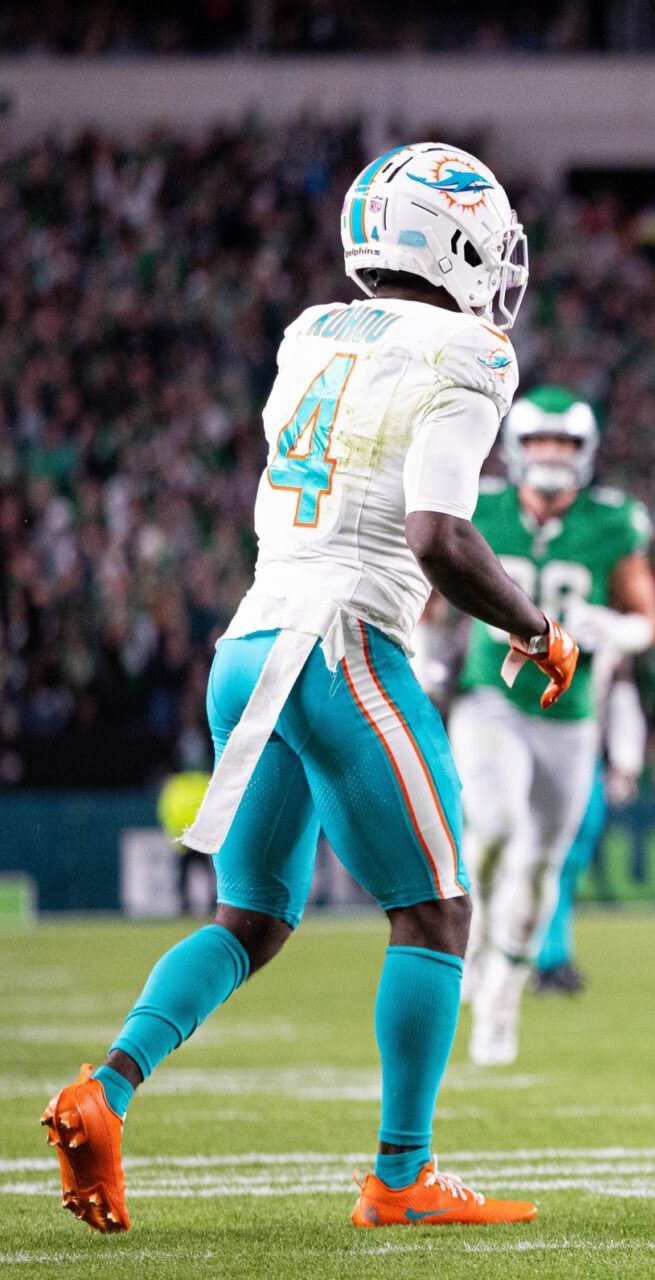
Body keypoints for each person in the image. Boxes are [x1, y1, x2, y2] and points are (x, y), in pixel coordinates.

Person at [43, 143, 576, 1232]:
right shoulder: (469, 351)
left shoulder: (312, 331)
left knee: (254, 916)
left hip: (250, 640)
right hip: (343, 644)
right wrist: (534, 625)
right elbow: (435, 532)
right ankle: (402, 1174)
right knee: (434, 912)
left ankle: (106, 1088)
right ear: (455, 242)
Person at [449, 388, 655, 1063]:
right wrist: (424, 646)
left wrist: (619, 629)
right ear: (516, 447)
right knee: (495, 824)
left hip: (571, 718)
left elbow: (647, 618)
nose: (550, 456)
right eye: (540, 441)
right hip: (492, 695)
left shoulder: (612, 521)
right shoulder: (480, 508)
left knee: (541, 864)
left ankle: (505, 994)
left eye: (564, 445)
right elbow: (431, 586)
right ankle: (475, 946)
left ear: (584, 453)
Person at [532, 666, 646, 994]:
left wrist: (625, 760)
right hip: (550, 749)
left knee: (570, 863)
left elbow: (619, 692)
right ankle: (546, 957)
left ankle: (553, 954)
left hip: (584, 755)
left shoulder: (601, 637)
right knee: (550, 861)